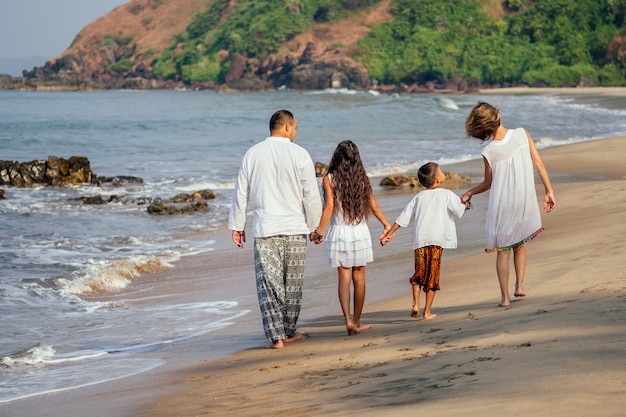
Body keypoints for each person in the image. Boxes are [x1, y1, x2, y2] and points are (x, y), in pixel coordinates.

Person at [229, 109, 322, 349]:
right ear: (288, 126)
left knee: (269, 285)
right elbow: (311, 195)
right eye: (296, 127)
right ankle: (289, 331)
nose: (296, 132)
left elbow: (241, 192)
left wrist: (237, 226)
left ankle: (277, 337)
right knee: (292, 283)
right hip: (295, 228)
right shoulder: (300, 154)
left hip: (266, 228)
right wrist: (315, 227)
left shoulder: (253, 153)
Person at [460, 101, 556, 307]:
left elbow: (488, 183)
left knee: (503, 251)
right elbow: (539, 164)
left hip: (502, 205)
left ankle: (505, 299)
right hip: (523, 201)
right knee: (519, 244)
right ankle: (520, 286)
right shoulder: (522, 133)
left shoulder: (489, 151)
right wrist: (549, 191)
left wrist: (470, 192)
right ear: (498, 116)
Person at [311, 140, 390, 335]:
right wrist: (386, 225)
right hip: (359, 232)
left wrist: (318, 231)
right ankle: (357, 321)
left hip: (340, 232)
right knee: (359, 277)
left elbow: (329, 207)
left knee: (344, 277)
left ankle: (347, 319)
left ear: (337, 157)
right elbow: (374, 205)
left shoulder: (329, 179)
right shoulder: (362, 178)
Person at [381, 162, 470, 320]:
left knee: (419, 273)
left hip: (420, 241)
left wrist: (390, 233)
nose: (444, 173)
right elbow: (459, 210)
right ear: (437, 179)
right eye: (441, 171)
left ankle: (416, 303)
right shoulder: (446, 194)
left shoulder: (418, 197)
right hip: (437, 241)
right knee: (432, 277)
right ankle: (427, 312)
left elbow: (403, 218)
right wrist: (466, 204)